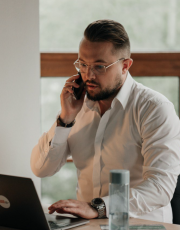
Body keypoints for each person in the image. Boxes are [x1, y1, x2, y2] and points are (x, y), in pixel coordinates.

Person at [31, 19, 180, 223]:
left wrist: (97, 207)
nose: (88, 75)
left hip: (142, 225)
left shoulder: (154, 108)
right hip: (88, 226)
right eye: (83, 64)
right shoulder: (77, 105)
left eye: (100, 66)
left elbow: (160, 188)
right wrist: (65, 119)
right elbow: (41, 169)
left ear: (125, 65)